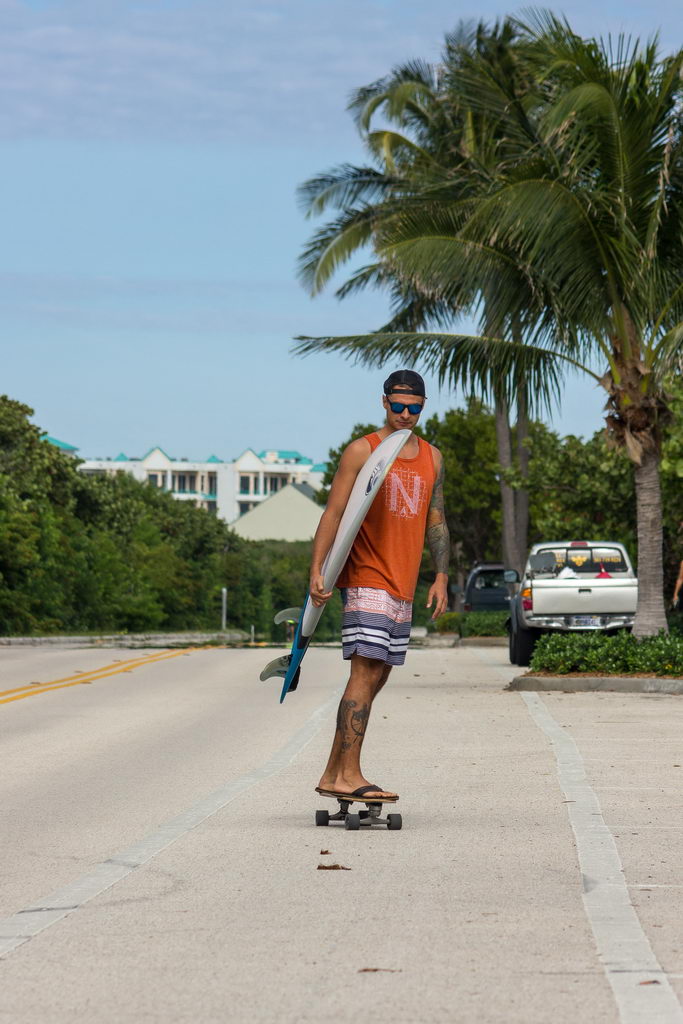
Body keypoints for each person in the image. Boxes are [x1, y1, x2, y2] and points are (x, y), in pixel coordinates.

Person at [309, 369, 449, 802]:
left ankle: (333, 773)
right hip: (367, 575)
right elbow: (334, 513)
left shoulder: (433, 458)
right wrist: (317, 570)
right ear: (384, 402)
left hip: (403, 582)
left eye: (414, 408)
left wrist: (441, 575)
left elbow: (437, 519)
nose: (405, 414)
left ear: (423, 407)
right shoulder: (362, 450)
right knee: (365, 671)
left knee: (378, 676)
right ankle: (350, 774)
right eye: (398, 406)